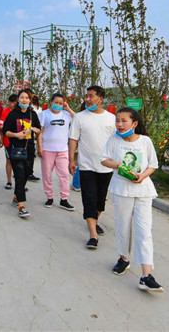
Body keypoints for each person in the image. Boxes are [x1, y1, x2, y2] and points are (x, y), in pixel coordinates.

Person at [101, 107, 164, 292]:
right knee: (123, 227)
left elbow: (153, 164)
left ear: (134, 124)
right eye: (117, 121)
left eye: (124, 121)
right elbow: (104, 159)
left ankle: (146, 275)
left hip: (143, 190)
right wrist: (118, 165)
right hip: (121, 190)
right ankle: (124, 258)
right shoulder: (113, 140)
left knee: (144, 231)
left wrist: (143, 176)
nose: (119, 125)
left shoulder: (145, 141)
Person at [68, 86, 116, 249]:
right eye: (86, 96)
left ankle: (94, 220)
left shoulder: (111, 118)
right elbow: (73, 139)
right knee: (89, 198)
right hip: (86, 165)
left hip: (107, 167)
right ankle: (93, 235)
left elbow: (117, 141)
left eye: (91, 96)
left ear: (100, 99)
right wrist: (71, 160)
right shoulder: (80, 117)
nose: (87, 99)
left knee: (100, 200)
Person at [2, 88, 41, 218]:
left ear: (30, 100)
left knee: (26, 174)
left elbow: (39, 129)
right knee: (19, 175)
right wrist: (16, 135)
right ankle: (21, 205)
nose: (24, 99)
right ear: (18, 99)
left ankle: (16, 196)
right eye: (22, 97)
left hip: (29, 149)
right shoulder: (13, 114)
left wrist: (35, 129)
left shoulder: (32, 114)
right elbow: (5, 131)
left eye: (27, 98)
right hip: (16, 148)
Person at [37, 93, 76, 210]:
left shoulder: (66, 115)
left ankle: (64, 199)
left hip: (62, 150)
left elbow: (78, 119)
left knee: (64, 175)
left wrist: (68, 108)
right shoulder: (44, 114)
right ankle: (49, 197)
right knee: (47, 175)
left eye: (61, 103)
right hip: (47, 150)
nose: (58, 105)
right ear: (51, 102)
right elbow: (39, 131)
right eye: (56, 103)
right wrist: (39, 147)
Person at [0, 94, 18, 190]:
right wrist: (2, 138)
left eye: (14, 102)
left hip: (20, 141)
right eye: (11, 102)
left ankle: (20, 183)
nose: (12, 104)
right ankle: (9, 181)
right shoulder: (5, 112)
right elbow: (1, 126)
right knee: (9, 160)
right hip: (8, 140)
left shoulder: (20, 112)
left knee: (19, 161)